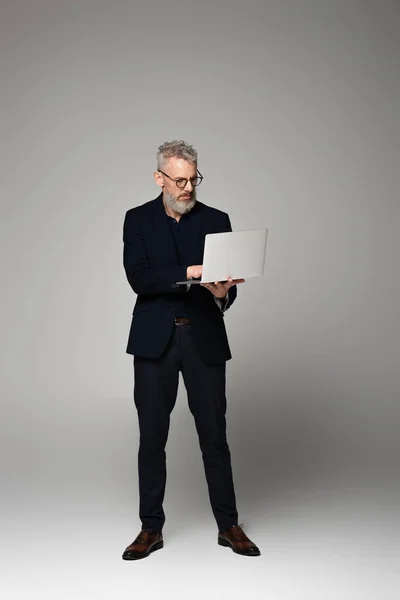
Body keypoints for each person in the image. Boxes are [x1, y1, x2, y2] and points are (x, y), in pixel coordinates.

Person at [122, 140, 260, 559]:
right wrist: (191, 272)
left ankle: (229, 525)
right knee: (151, 438)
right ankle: (151, 528)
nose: (187, 188)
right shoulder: (138, 220)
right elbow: (140, 279)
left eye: (193, 179)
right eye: (179, 180)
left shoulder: (217, 219)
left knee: (214, 436)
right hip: (154, 342)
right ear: (159, 178)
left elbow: (226, 291)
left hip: (203, 338)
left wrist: (221, 293)